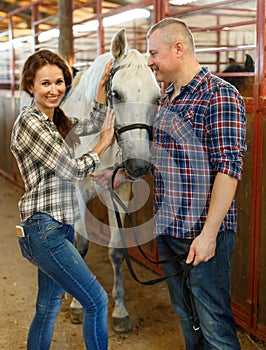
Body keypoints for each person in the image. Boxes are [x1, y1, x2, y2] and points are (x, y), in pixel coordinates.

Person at [93, 18, 246, 350]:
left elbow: (228, 169)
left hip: (203, 235)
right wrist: (118, 175)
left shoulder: (219, 94)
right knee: (188, 319)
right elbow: (160, 161)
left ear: (179, 48)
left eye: (153, 53)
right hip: (169, 232)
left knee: (214, 323)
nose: (149, 61)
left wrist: (208, 236)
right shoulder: (163, 101)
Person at [10, 49, 115, 350]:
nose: (54, 89)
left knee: (48, 307)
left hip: (59, 226)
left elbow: (89, 125)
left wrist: (100, 88)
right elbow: (70, 169)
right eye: (45, 83)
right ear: (30, 86)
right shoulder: (30, 122)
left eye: (59, 82)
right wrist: (102, 147)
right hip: (45, 229)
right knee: (96, 300)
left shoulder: (54, 119)